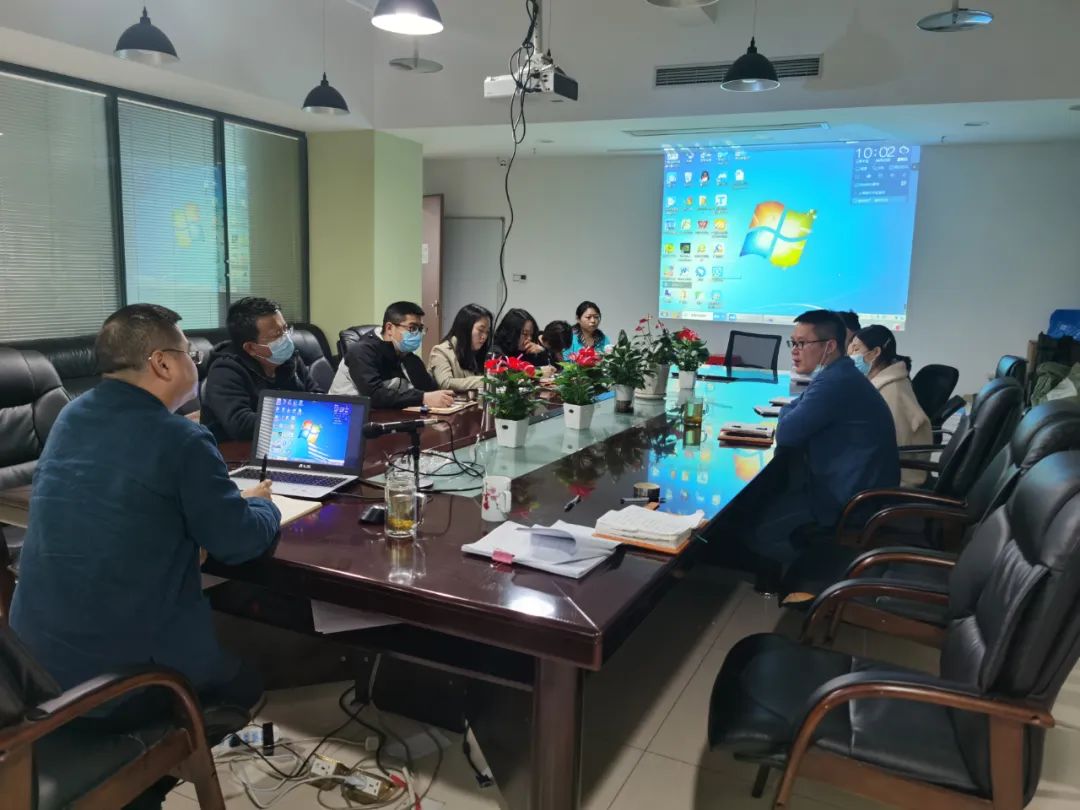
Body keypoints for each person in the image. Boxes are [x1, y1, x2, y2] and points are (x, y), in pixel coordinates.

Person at [10, 305, 279, 769]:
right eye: (191, 353)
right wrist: (263, 504)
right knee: (246, 683)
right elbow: (237, 542)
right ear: (163, 363)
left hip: (31, 668)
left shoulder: (71, 417)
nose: (196, 363)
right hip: (116, 685)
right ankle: (159, 770)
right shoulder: (180, 439)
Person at [715, 310, 899, 585]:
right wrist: (791, 409)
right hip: (850, 481)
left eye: (802, 343)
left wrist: (788, 410)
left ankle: (823, 574)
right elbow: (794, 412)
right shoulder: (839, 374)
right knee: (760, 501)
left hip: (847, 496)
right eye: (793, 343)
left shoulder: (835, 382)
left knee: (757, 532)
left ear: (830, 346)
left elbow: (787, 433)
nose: (795, 350)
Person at [201, 296, 323, 441]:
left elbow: (318, 398)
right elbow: (241, 424)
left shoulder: (290, 358)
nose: (286, 338)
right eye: (277, 334)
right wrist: (298, 416)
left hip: (287, 443)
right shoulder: (225, 370)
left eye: (285, 329)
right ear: (251, 348)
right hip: (236, 450)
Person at [330, 301, 453, 409]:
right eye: (412, 328)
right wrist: (423, 398)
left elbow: (428, 388)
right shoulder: (361, 351)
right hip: (346, 416)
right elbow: (375, 396)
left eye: (420, 329)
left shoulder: (404, 353)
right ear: (389, 328)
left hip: (384, 414)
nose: (418, 334)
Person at [849, 325, 932, 486]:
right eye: (850, 349)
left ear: (875, 352)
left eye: (856, 349)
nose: (850, 355)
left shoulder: (892, 391)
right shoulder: (882, 382)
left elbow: (891, 444)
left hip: (895, 478)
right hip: (881, 467)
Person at [428, 303, 492, 393]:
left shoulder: (477, 352)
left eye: (487, 332)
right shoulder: (440, 351)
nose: (484, 336)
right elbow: (446, 383)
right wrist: (484, 381)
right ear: (466, 328)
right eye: (481, 330)